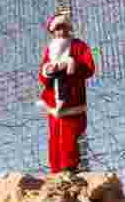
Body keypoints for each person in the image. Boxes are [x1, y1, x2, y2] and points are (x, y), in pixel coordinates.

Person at [36, 13, 95, 174]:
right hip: (52, 101)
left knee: (70, 134)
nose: (60, 32)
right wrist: (48, 70)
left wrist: (71, 64)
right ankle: (56, 170)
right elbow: (43, 75)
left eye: (63, 27)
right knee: (54, 137)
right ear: (52, 32)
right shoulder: (50, 49)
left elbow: (89, 67)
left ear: (69, 28)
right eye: (57, 29)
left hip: (72, 99)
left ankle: (69, 167)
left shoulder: (79, 46)